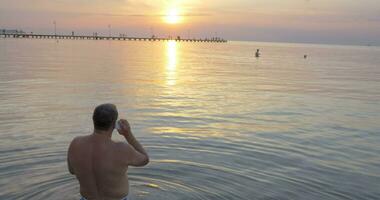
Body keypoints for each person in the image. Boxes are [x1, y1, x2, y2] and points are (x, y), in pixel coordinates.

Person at [67, 104, 149, 200]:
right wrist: (128, 134)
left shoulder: (75, 144)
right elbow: (145, 159)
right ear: (114, 124)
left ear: (93, 120)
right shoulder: (121, 149)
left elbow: (72, 171)